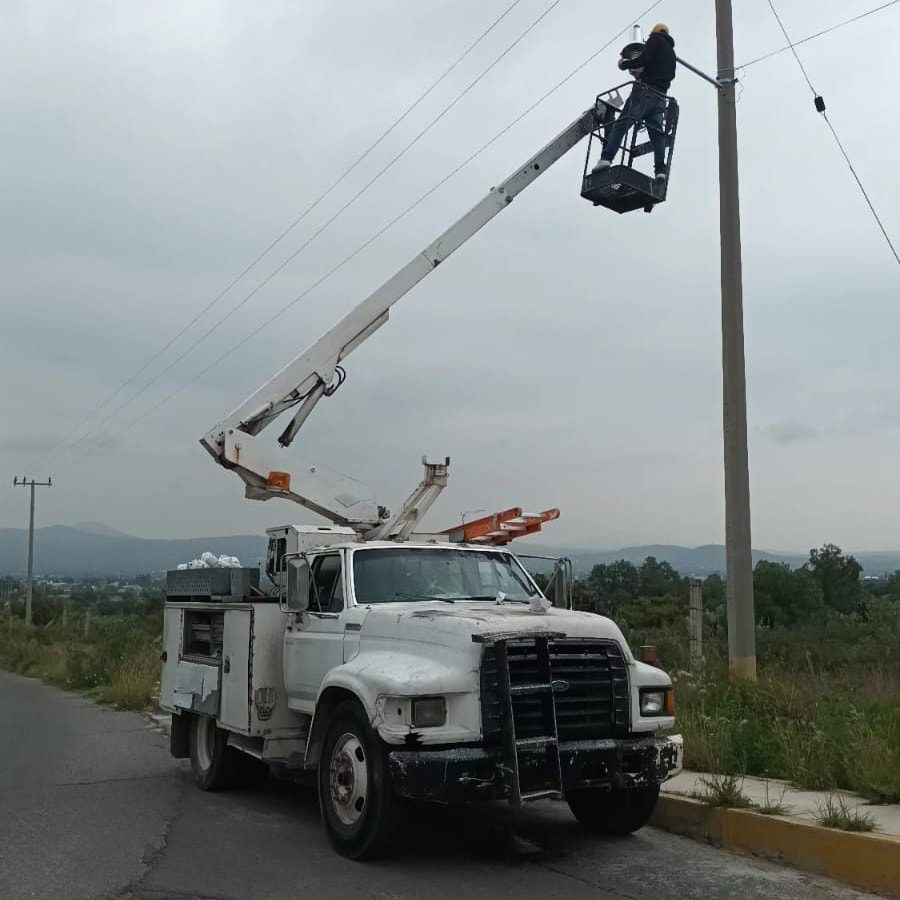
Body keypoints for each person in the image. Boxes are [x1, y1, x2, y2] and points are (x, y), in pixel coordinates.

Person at [593, 24, 676, 184]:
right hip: (660, 97)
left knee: (621, 124)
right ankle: (660, 171)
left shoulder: (655, 40)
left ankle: (606, 159)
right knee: (657, 135)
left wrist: (625, 64)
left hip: (644, 92)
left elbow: (645, 59)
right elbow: (667, 72)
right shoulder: (671, 54)